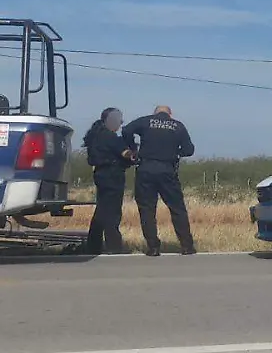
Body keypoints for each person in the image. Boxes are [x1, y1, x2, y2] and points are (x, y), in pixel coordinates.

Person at [122, 105, 196, 256]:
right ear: (170, 114)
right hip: (167, 170)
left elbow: (126, 130)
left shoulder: (146, 121)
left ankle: (153, 247)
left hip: (145, 169)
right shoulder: (178, 126)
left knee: (147, 209)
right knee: (177, 209)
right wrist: (176, 152)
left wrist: (133, 148)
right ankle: (187, 246)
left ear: (154, 113)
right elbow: (189, 150)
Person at [82, 107, 135, 254]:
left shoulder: (95, 135)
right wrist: (135, 154)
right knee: (112, 211)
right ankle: (114, 246)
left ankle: (93, 245)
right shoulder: (111, 137)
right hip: (113, 175)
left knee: (102, 210)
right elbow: (126, 154)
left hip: (100, 174)